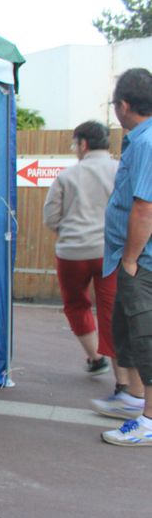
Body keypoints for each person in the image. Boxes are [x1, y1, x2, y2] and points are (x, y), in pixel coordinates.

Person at [91, 68, 152, 446]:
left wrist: (130, 259)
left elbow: (144, 209)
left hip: (140, 262)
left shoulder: (145, 144)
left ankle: (147, 420)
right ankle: (135, 399)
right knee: (130, 335)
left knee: (145, 339)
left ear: (124, 106)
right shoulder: (139, 141)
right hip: (131, 260)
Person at [42, 121, 123, 380]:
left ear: (83, 144)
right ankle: (122, 380)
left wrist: (68, 229)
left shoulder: (67, 176)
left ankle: (95, 358)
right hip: (109, 252)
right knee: (112, 310)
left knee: (76, 305)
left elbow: (50, 217)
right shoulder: (120, 170)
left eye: (74, 144)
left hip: (72, 253)